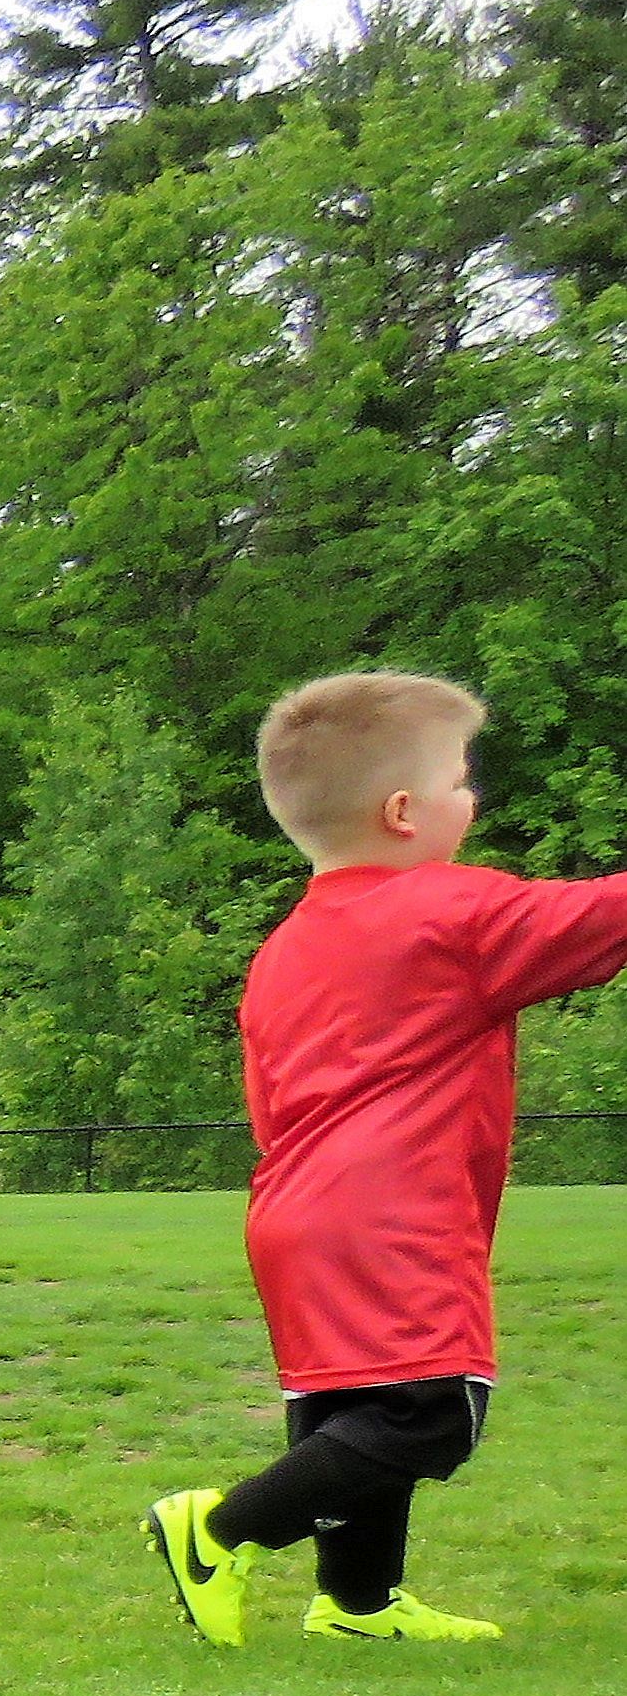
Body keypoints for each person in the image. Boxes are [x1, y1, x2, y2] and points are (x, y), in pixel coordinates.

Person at [145, 674, 627, 1646]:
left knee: (349, 1404)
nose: (471, 798)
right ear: (403, 812)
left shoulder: (282, 950)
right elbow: (604, 916)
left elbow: (266, 1099)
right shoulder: (449, 912)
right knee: (427, 1412)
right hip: (394, 1209)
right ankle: (218, 1531)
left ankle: (356, 1604)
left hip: (293, 1209)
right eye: (460, 779)